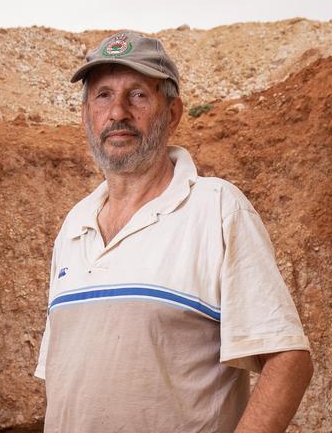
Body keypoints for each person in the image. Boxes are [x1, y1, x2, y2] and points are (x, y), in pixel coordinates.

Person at [35, 31, 313, 432]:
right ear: (86, 115)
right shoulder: (73, 227)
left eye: (138, 95)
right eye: (103, 96)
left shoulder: (217, 209)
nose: (118, 113)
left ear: (173, 113)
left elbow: (289, 361)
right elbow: (65, 381)